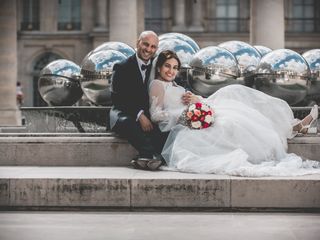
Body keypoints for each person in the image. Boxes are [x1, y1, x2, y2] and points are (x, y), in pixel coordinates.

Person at [149, 50, 320, 177]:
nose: (171, 71)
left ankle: (293, 126)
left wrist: (196, 101)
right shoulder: (157, 84)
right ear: (159, 67)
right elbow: (156, 116)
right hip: (188, 123)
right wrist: (186, 115)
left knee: (235, 94)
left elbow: (190, 102)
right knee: (232, 121)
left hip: (200, 111)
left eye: (175, 67)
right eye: (167, 66)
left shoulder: (175, 86)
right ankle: (294, 127)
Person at [110, 31, 168, 171]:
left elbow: (170, 81)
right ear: (138, 43)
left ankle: (143, 158)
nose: (148, 49)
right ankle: (151, 155)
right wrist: (139, 115)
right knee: (128, 123)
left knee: (163, 127)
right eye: (146, 44)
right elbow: (118, 97)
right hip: (123, 112)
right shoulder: (121, 67)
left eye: (153, 47)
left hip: (148, 114)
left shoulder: (156, 67)